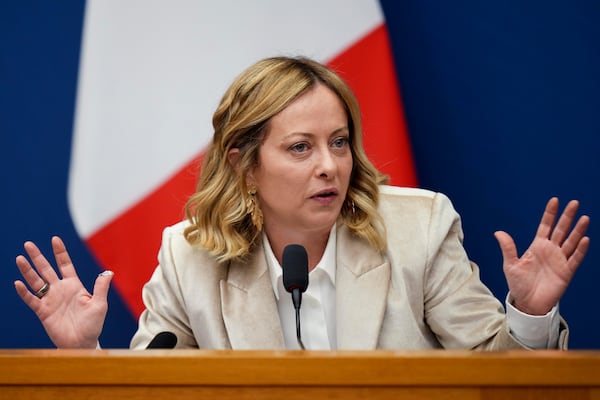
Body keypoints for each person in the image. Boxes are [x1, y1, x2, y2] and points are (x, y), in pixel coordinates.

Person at [14, 56, 590, 350]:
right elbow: (157, 383)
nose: (330, 166)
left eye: (339, 143)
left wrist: (531, 315)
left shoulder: (419, 227)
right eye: (300, 147)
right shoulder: (189, 257)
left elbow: (500, 379)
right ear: (243, 163)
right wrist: (86, 355)